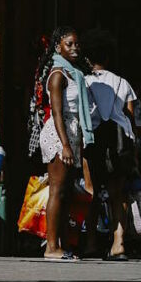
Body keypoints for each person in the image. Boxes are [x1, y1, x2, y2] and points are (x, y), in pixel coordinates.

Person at [38, 27, 95, 260]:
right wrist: (65, 145)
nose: (74, 48)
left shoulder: (75, 74)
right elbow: (57, 113)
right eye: (69, 44)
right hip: (59, 134)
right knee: (57, 190)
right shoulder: (58, 74)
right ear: (58, 46)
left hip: (72, 134)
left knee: (66, 194)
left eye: (76, 44)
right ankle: (51, 247)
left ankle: (61, 244)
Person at [82, 29, 138, 261]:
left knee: (91, 192)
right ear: (108, 58)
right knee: (118, 194)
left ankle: (90, 243)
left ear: (88, 59)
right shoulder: (123, 82)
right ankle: (118, 243)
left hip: (93, 140)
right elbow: (131, 116)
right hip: (118, 139)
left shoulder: (84, 82)